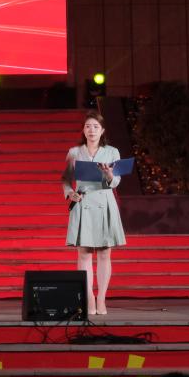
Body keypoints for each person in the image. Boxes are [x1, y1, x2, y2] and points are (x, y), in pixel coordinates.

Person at [62, 110, 126, 316]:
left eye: (96, 127)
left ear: (102, 130)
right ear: (83, 130)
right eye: (88, 126)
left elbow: (116, 182)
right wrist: (70, 193)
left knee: (105, 254)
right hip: (83, 203)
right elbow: (66, 179)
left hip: (105, 202)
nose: (91, 130)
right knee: (84, 254)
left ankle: (102, 298)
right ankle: (89, 297)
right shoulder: (74, 152)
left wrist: (109, 174)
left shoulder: (112, 152)